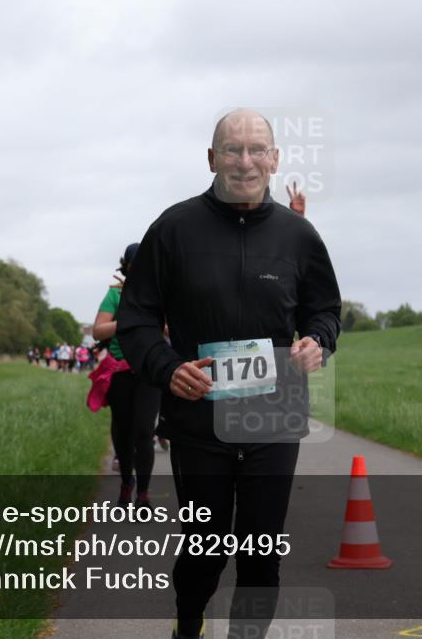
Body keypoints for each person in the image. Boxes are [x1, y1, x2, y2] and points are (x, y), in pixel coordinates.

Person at [117, 109, 341, 639]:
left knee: (262, 556)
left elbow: (325, 309)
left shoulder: (298, 235)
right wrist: (169, 368)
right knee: (206, 551)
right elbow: (136, 320)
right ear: (212, 158)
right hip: (200, 422)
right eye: (233, 149)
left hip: (274, 419)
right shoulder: (172, 229)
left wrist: (318, 341)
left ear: (275, 158)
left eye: (257, 149)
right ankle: (188, 624)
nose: (245, 160)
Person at [94, 243, 161, 509]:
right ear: (127, 266)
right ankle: (126, 484)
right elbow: (99, 331)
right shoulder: (114, 295)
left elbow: (168, 329)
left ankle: (143, 494)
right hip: (120, 370)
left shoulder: (159, 293)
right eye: (136, 264)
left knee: (145, 430)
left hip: (148, 370)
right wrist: (129, 317)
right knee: (123, 431)